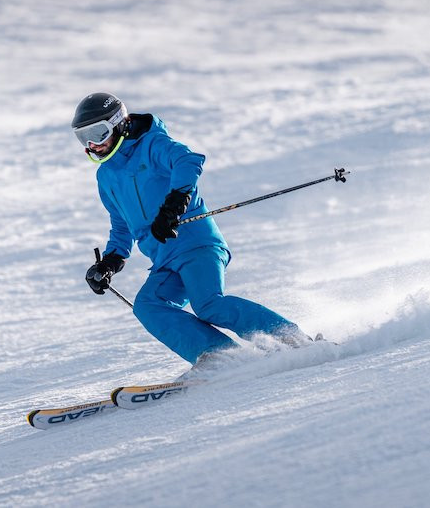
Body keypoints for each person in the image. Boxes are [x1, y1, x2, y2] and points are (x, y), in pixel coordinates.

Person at [74, 92, 312, 367]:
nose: (93, 144)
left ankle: (291, 339)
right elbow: (121, 225)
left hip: (196, 243)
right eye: (84, 137)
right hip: (165, 259)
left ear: (118, 124)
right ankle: (221, 357)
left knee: (209, 304)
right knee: (148, 306)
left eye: (98, 133)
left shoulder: (152, 144)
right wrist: (110, 262)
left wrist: (175, 203)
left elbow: (188, 160)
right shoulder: (105, 176)